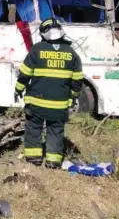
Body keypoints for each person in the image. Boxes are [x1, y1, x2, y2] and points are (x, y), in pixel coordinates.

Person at [14, 18, 82, 169]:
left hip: (37, 102)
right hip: (59, 105)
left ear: (44, 33)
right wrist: (73, 96)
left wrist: (18, 89)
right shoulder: (71, 53)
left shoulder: (37, 49)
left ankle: (33, 158)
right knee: (56, 131)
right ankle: (53, 161)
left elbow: (24, 74)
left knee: (33, 128)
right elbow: (77, 80)